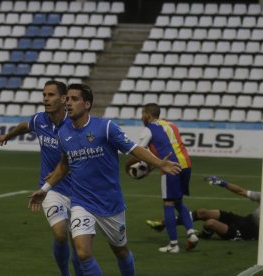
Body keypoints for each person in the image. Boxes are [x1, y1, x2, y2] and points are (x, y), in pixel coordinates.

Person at [29, 84, 182, 275]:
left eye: (74, 99)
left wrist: (160, 163)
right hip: (81, 202)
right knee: (83, 253)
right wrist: (45, 189)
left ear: (86, 105)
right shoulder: (63, 132)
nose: (68, 103)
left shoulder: (106, 127)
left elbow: (134, 148)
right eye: (67, 99)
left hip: (110, 203)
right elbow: (64, 164)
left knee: (121, 251)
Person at [0, 80, 82, 276]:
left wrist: (63, 169)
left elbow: (80, 156)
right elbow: (24, 126)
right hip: (52, 190)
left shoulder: (74, 124)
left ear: (63, 99)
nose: (45, 98)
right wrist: (7, 136)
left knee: (79, 245)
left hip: (78, 190)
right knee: (60, 234)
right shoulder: (40, 120)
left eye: (50, 95)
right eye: (44, 95)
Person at [125, 103, 198, 254]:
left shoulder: (148, 129)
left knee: (168, 203)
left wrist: (127, 166)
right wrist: (152, 166)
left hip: (170, 166)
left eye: (142, 114)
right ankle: (191, 233)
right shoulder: (171, 125)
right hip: (186, 164)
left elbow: (139, 151)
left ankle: (173, 244)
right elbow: (167, 146)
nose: (141, 117)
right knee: (178, 200)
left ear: (147, 115)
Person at [147, 176, 263, 241]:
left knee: (210, 223)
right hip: (245, 220)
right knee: (203, 212)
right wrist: (222, 183)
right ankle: (164, 224)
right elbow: (241, 191)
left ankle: (205, 233)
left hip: (249, 233)